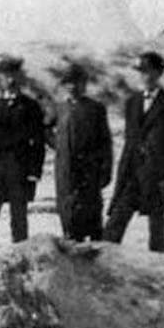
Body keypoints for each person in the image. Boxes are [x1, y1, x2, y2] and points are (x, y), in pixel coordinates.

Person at [104, 51, 164, 253]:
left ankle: (160, 271)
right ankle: (104, 265)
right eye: (142, 72)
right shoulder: (132, 102)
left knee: (157, 230)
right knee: (115, 222)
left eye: (150, 71)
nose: (146, 76)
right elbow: (130, 140)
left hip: (157, 174)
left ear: (159, 73)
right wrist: (123, 170)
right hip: (131, 173)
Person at [0, 57, 46, 255]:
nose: (10, 80)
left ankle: (20, 257)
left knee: (19, 219)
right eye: (5, 76)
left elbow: (38, 142)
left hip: (19, 171)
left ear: (19, 77)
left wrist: (34, 171)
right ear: (0, 79)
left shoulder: (30, 107)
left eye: (13, 75)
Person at [47, 63, 113, 242]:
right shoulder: (59, 108)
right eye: (69, 83)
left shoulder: (96, 109)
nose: (73, 87)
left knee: (92, 218)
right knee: (69, 216)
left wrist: (106, 170)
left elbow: (105, 142)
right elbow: (44, 129)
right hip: (66, 172)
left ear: (84, 84)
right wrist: (60, 146)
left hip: (89, 171)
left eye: (77, 82)